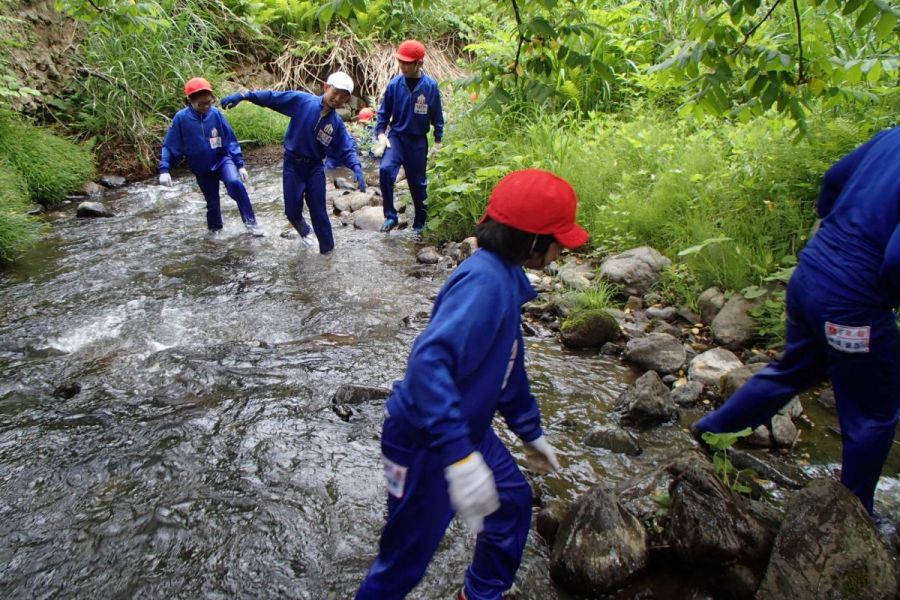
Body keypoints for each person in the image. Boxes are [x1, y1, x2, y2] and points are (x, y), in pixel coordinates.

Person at [355, 169, 590, 599]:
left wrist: (530, 430)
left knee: (511, 505)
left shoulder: (507, 279)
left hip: (466, 431)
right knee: (404, 560)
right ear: (533, 241)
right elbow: (429, 365)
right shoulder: (483, 283)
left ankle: (479, 593)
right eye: (557, 240)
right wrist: (459, 457)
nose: (561, 250)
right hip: (426, 441)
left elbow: (507, 368)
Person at [692, 126, 900, 515]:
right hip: (854, 304)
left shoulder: (894, 136)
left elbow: (834, 178)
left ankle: (714, 429)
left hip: (811, 274)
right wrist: (881, 297)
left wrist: (833, 231)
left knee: (795, 369)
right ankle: (853, 516)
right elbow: (896, 260)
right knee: (873, 415)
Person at [219, 72, 367, 254]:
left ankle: (328, 254)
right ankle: (305, 232)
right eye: (334, 93)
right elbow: (272, 98)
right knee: (291, 212)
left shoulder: (336, 123)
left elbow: (347, 147)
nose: (336, 99)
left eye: (342, 97)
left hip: (315, 168)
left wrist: (357, 167)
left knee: (319, 214)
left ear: (347, 99)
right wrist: (244, 96)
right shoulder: (303, 101)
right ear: (326, 87)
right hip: (293, 165)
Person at [159, 77, 263, 236]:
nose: (206, 107)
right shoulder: (181, 119)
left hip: (222, 160)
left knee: (235, 183)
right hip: (202, 169)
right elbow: (170, 145)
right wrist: (164, 169)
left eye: (208, 102)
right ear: (190, 101)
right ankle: (215, 236)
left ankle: (251, 224)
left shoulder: (216, 114)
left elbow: (231, 140)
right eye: (201, 104)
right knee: (212, 204)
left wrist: (240, 165)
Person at [372, 39, 444, 238]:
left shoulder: (430, 87)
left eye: (407, 63)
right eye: (400, 62)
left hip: (418, 141)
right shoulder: (395, 85)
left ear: (419, 63)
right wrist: (380, 133)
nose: (402, 66)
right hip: (396, 137)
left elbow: (437, 116)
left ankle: (419, 224)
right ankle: (390, 216)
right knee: (386, 170)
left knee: (418, 183)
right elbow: (383, 113)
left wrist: (438, 141)